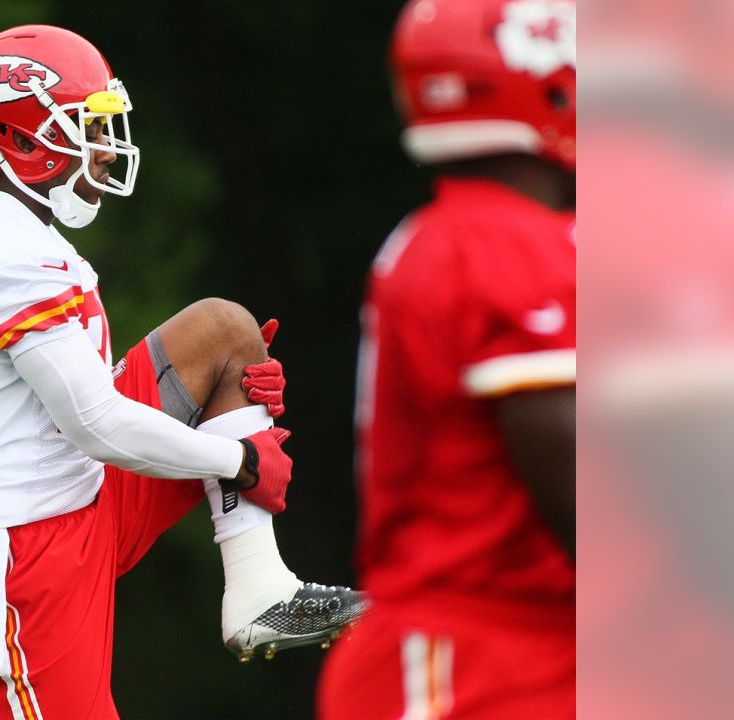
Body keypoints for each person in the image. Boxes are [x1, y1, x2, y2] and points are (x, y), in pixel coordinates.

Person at [0, 24, 366, 719]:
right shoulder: (2, 251)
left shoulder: (20, 232)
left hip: (79, 494)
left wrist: (226, 397)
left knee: (224, 333)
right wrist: (237, 457)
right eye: (85, 126)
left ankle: (259, 589)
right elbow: (95, 420)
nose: (104, 147)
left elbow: (87, 407)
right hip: (19, 547)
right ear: (20, 139)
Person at [317, 1, 576, 717]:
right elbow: (587, 498)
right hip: (478, 663)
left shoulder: (469, 235)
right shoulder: (500, 243)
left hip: (524, 649)